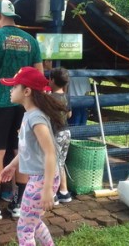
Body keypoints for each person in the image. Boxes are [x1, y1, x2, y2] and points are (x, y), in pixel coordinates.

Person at [0, 0, 43, 220]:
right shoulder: (31, 41)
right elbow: (39, 74)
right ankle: (18, 206)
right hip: (24, 104)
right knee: (21, 150)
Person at [0, 66, 67, 246]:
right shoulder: (29, 115)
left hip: (42, 179)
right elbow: (27, 148)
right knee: (33, 222)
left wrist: (46, 190)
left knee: (24, 228)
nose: (11, 90)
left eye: (14, 87)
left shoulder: (36, 118)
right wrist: (12, 165)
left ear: (27, 91)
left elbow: (50, 152)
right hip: (40, 178)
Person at [49, 67, 73, 204]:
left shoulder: (49, 98)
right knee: (61, 162)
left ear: (52, 80)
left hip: (55, 133)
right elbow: (70, 114)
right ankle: (64, 192)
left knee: (53, 163)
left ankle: (53, 194)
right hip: (66, 132)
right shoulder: (66, 96)